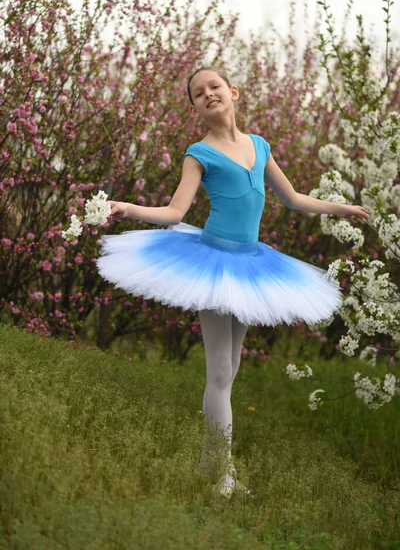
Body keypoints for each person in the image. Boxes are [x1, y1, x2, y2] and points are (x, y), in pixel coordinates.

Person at [96, 66, 369, 499]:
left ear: (234, 92)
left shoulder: (258, 146)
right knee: (220, 371)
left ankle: (210, 459)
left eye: (214, 87)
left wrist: (341, 208)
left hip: (251, 264)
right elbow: (175, 213)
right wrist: (129, 208)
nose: (208, 95)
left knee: (229, 371)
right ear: (194, 108)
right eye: (198, 93)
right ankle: (224, 472)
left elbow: (293, 199)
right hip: (212, 262)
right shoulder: (198, 153)